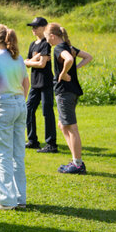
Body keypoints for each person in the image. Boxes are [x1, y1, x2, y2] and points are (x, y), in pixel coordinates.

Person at [0, 24, 28, 211]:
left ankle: (5, 199)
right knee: (18, 153)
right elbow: (26, 82)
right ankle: (20, 197)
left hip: (3, 105)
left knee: (1, 153)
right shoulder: (17, 58)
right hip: (19, 104)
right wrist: (20, 100)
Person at [45, 21, 93, 175]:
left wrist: (64, 73)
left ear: (52, 36)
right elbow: (88, 57)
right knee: (63, 125)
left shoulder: (59, 48)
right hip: (70, 91)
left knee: (71, 127)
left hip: (65, 92)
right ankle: (75, 160)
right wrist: (73, 70)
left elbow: (70, 60)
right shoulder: (68, 47)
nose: (47, 41)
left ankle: (78, 164)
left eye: (47, 37)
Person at [24, 16, 58, 153]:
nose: (33, 29)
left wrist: (32, 61)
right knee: (28, 109)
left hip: (46, 82)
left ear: (44, 28)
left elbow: (42, 64)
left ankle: (51, 144)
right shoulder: (33, 44)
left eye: (36, 27)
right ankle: (32, 140)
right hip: (35, 83)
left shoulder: (46, 43)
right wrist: (35, 59)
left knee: (47, 111)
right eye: (32, 27)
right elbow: (26, 62)